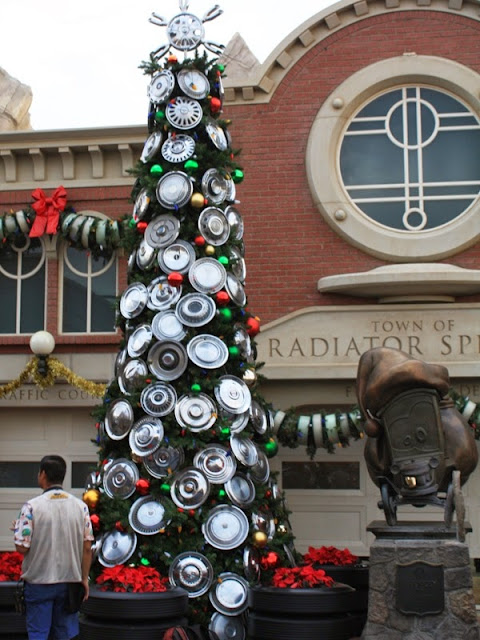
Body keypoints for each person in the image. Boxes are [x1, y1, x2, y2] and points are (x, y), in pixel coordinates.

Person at [13, 455, 94, 640]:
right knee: (65, 634)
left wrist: (19, 529)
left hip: (39, 582)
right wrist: (84, 579)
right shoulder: (80, 507)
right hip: (70, 583)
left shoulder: (31, 507)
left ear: (43, 474)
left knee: (39, 634)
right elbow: (87, 547)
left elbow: (21, 548)